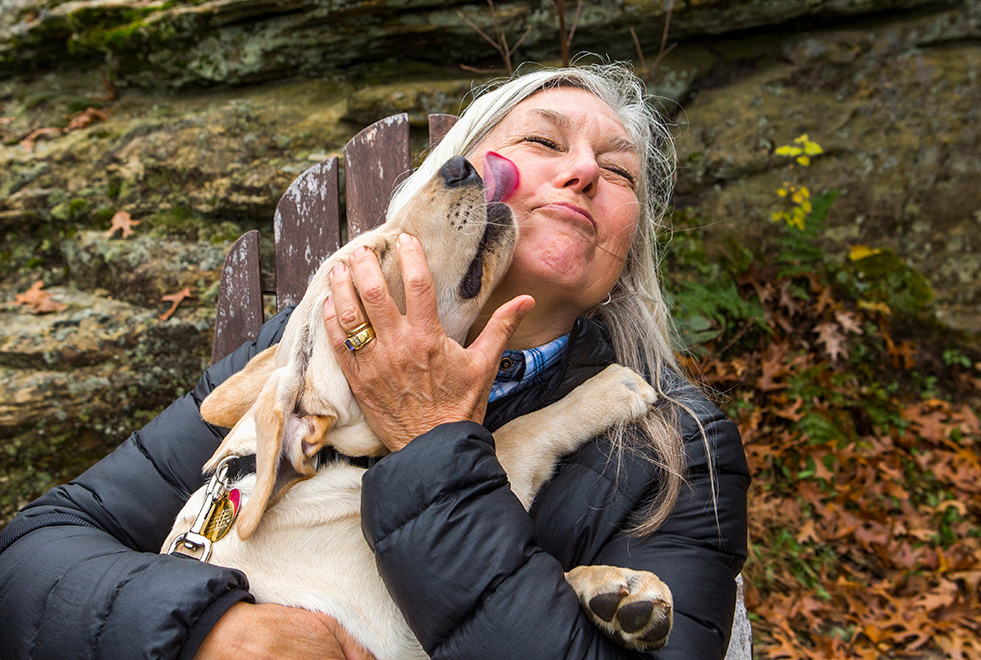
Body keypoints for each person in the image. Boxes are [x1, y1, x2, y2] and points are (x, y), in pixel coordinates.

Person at [0, 63, 749, 659]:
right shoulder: (302, 353)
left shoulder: (676, 446)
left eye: (616, 172)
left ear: (627, 253)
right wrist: (207, 630)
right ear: (457, 174)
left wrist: (431, 442)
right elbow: (32, 559)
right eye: (545, 144)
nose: (583, 171)